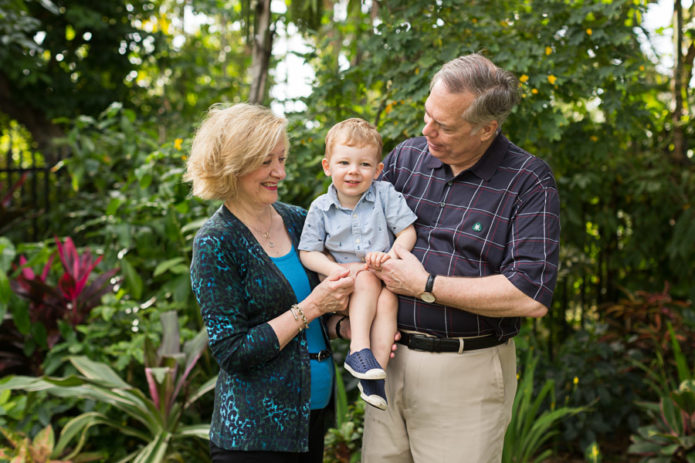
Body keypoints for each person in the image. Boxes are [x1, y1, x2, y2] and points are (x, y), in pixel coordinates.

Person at [362, 53, 561, 462]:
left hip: (465, 371)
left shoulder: (528, 181)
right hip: (388, 360)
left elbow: (530, 294)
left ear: (487, 128)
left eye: (444, 126)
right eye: (427, 114)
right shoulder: (406, 159)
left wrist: (426, 287)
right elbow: (357, 233)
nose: (426, 130)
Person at [185, 103, 356, 463]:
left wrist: (344, 327)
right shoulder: (216, 241)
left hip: (312, 418)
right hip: (253, 436)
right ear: (234, 163)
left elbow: (316, 321)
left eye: (281, 159)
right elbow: (233, 352)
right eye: (266, 161)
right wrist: (314, 306)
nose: (279, 171)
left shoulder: (297, 220)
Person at [298, 118, 417, 411]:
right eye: (344, 163)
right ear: (328, 167)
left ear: (377, 171)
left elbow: (407, 231)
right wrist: (333, 270)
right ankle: (358, 349)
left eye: (364, 165)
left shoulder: (384, 195)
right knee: (364, 277)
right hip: (344, 277)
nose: (353, 171)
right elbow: (308, 252)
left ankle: (373, 378)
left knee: (389, 301)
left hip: (380, 272)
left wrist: (392, 255)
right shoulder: (320, 208)